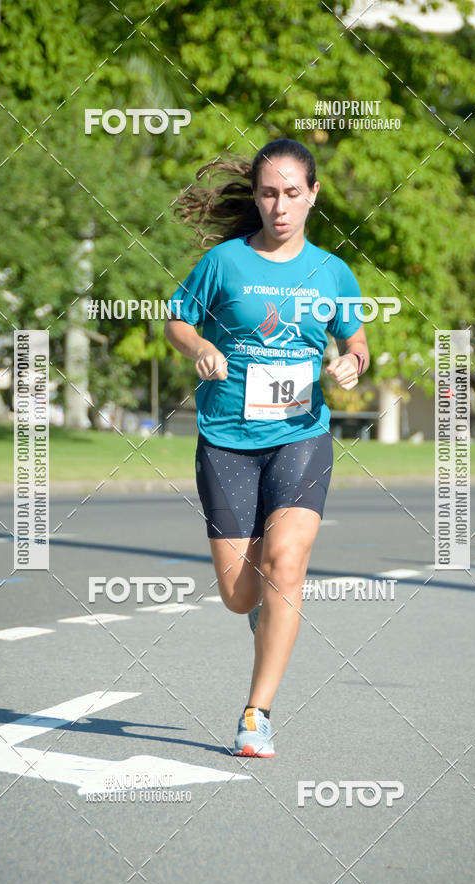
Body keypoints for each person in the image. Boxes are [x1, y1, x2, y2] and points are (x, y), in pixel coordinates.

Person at [164, 138, 370, 757]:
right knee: (239, 595)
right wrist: (199, 347)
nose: (279, 207)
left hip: (300, 436)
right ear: (256, 196)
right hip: (226, 440)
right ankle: (259, 613)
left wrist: (353, 362)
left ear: (313, 195)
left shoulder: (332, 272)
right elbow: (177, 319)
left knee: (287, 562)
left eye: (291, 194)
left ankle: (257, 713)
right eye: (267, 193)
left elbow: (356, 340)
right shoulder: (224, 264)